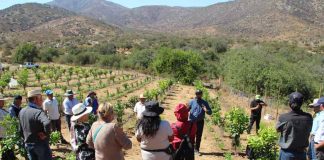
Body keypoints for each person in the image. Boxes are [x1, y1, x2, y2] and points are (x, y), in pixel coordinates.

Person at [276, 92, 312, 160]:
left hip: (287, 154)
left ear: (289, 103)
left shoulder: (284, 117)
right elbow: (309, 130)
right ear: (301, 103)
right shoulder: (308, 117)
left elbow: (277, 130)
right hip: (302, 154)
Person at [19, 89, 52, 160]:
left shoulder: (22, 111)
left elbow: (20, 129)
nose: (42, 100)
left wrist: (26, 139)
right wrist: (46, 135)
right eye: (40, 98)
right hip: (40, 144)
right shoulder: (38, 112)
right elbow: (47, 123)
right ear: (35, 99)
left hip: (28, 144)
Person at [188, 89, 212, 155]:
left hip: (200, 122)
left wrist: (206, 110)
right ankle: (190, 149)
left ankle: (196, 149)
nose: (198, 95)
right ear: (195, 94)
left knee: (198, 136)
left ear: (201, 94)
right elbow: (187, 109)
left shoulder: (204, 102)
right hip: (192, 121)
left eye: (199, 94)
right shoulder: (191, 101)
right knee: (191, 136)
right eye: (197, 94)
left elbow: (210, 112)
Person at [0, 94, 15, 160]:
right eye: (2, 101)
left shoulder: (3, 110)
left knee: (7, 149)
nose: (3, 102)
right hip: (4, 135)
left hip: (6, 134)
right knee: (7, 150)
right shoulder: (1, 111)